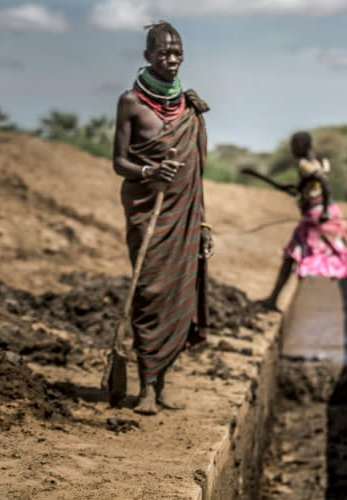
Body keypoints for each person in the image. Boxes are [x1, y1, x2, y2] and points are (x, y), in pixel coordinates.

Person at [112, 21, 212, 415]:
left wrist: (203, 223)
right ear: (147, 56)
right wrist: (149, 172)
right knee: (150, 292)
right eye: (163, 52)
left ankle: (162, 383)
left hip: (185, 216)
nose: (171, 59)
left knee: (178, 297)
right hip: (147, 213)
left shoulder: (190, 108)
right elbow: (119, 162)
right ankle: (145, 387)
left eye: (177, 52)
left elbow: (198, 175)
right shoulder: (130, 103)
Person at [259, 131, 347, 310]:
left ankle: (273, 299)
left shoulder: (303, 164)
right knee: (345, 252)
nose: (292, 149)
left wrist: (322, 212)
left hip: (317, 217)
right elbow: (313, 184)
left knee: (292, 254)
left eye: (294, 145)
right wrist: (295, 188)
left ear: (301, 146)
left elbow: (323, 183)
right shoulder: (320, 161)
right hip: (331, 212)